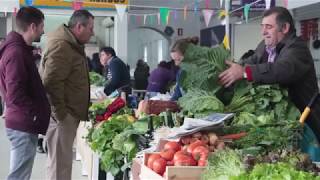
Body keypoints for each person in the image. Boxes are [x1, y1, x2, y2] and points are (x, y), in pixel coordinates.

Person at [219, 7, 320, 142]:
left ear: (284, 28)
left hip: (305, 121)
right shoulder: (265, 46)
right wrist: (229, 69)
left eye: (268, 27)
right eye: (262, 26)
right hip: (280, 122)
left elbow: (281, 70)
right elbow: (250, 62)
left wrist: (244, 72)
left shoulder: (297, 48)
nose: (263, 32)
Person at [39, 9, 94, 180]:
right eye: (91, 28)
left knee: (62, 164)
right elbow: (50, 83)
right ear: (79, 26)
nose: (93, 32)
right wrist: (61, 114)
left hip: (66, 114)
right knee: (59, 166)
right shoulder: (62, 45)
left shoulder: (71, 44)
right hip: (62, 116)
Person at [0, 7, 50, 180]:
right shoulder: (16, 53)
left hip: (21, 121)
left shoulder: (19, 50)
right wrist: (35, 115)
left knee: (20, 173)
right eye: (42, 26)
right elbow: (15, 94)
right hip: (23, 123)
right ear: (33, 27)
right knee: (19, 176)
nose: (43, 31)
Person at [170, 36, 199, 101]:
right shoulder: (180, 73)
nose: (176, 64)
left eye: (179, 59)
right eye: (174, 60)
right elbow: (177, 95)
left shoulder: (205, 71)